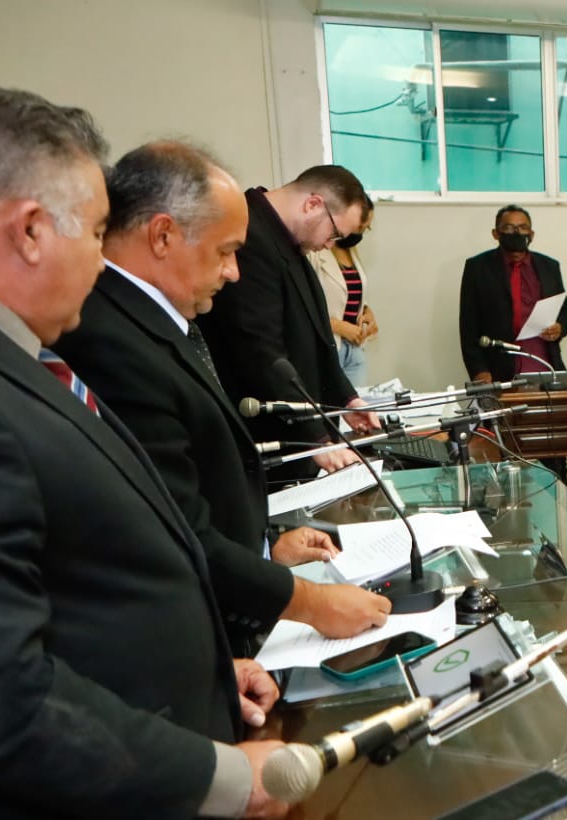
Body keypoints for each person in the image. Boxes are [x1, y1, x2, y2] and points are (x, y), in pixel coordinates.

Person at [0, 87, 288, 818]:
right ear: (33, 230)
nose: (105, 263)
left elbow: (64, 578)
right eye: (100, 231)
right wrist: (222, 777)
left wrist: (197, 672)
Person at [52, 142, 391, 656]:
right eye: (225, 251)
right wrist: (311, 602)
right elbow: (171, 525)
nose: (234, 272)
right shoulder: (110, 338)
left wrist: (265, 549)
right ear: (163, 235)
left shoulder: (163, 318)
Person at [196, 164, 378, 482]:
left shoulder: (287, 240)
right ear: (313, 204)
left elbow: (316, 336)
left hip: (301, 433)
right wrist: (315, 439)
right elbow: (259, 352)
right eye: (335, 234)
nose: (330, 245)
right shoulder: (250, 234)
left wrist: (347, 400)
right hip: (270, 439)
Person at [459, 204, 567, 481]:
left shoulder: (549, 266)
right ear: (495, 233)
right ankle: (508, 502)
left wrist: (559, 327)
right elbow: (468, 325)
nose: (517, 233)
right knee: (503, 446)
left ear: (532, 234)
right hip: (499, 371)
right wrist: (479, 372)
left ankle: (561, 497)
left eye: (522, 228)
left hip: (544, 366)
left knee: (553, 444)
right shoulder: (478, 267)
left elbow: (566, 312)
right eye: (509, 228)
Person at [310, 194, 377, 388]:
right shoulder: (316, 252)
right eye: (361, 226)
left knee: (360, 410)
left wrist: (366, 313)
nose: (362, 232)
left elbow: (351, 295)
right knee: (334, 411)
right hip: (330, 348)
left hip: (354, 349)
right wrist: (339, 327)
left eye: (367, 228)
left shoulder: (352, 253)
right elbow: (307, 306)